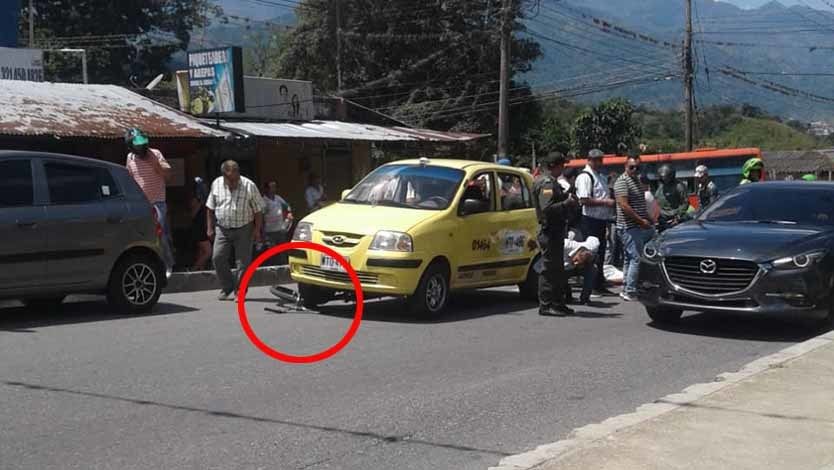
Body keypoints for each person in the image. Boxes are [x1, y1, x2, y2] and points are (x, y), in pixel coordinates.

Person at [206, 160, 265, 301]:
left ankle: (240, 291)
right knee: (217, 258)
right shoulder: (216, 184)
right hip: (222, 228)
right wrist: (209, 227)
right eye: (229, 180)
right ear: (224, 176)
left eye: (235, 179)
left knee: (243, 263)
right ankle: (227, 287)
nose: (233, 183)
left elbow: (258, 210)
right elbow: (210, 207)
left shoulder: (249, 185)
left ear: (238, 173)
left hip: (244, 228)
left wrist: (257, 230)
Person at [533, 152, 580, 317]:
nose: (563, 168)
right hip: (550, 231)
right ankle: (546, 305)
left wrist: (567, 196)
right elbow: (547, 209)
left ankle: (558, 303)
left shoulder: (553, 182)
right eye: (562, 165)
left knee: (558, 270)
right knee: (549, 270)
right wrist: (566, 203)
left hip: (557, 231)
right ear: (555, 165)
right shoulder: (546, 183)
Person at [125, 128, 174, 275]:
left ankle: (167, 264)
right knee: (140, 235)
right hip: (140, 204)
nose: (140, 147)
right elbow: (130, 179)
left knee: (159, 232)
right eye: (137, 145)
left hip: (157, 202)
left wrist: (156, 164)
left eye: (142, 144)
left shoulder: (156, 154)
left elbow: (168, 175)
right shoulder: (130, 158)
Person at [575, 149, 616, 296]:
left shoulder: (599, 176)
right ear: (589, 160)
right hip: (590, 220)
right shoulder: (585, 177)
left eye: (600, 160)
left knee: (600, 253)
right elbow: (584, 200)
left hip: (601, 220)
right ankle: (591, 286)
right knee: (591, 254)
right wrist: (605, 202)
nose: (599, 162)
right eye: (596, 160)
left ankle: (598, 283)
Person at [614, 155, 655, 302]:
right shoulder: (622, 181)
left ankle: (626, 288)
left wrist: (649, 219)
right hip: (628, 226)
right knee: (636, 258)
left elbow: (640, 205)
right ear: (625, 166)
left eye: (638, 167)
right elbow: (624, 206)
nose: (635, 170)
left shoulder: (636, 180)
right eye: (632, 167)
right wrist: (641, 221)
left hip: (638, 225)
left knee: (629, 258)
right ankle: (630, 291)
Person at [563, 235, 601, 305]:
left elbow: (593, 238)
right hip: (565, 267)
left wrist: (593, 256)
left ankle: (585, 298)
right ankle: (567, 295)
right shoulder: (566, 245)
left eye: (579, 263)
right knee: (559, 274)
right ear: (577, 253)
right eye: (576, 260)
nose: (576, 263)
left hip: (584, 266)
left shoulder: (592, 246)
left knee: (593, 270)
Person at [655, 164, 689, 230]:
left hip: (674, 218)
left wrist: (678, 217)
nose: (664, 179)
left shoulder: (679, 186)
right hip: (662, 219)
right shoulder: (661, 187)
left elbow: (685, 203)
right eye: (662, 177)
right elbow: (657, 200)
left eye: (666, 177)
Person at [262, 181, 293, 248]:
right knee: (272, 251)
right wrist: (263, 233)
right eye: (272, 187)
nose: (274, 189)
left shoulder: (278, 197)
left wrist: (289, 212)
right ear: (266, 189)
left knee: (282, 249)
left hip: (280, 229)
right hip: (270, 231)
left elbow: (287, 205)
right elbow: (262, 217)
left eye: (275, 187)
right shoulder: (263, 201)